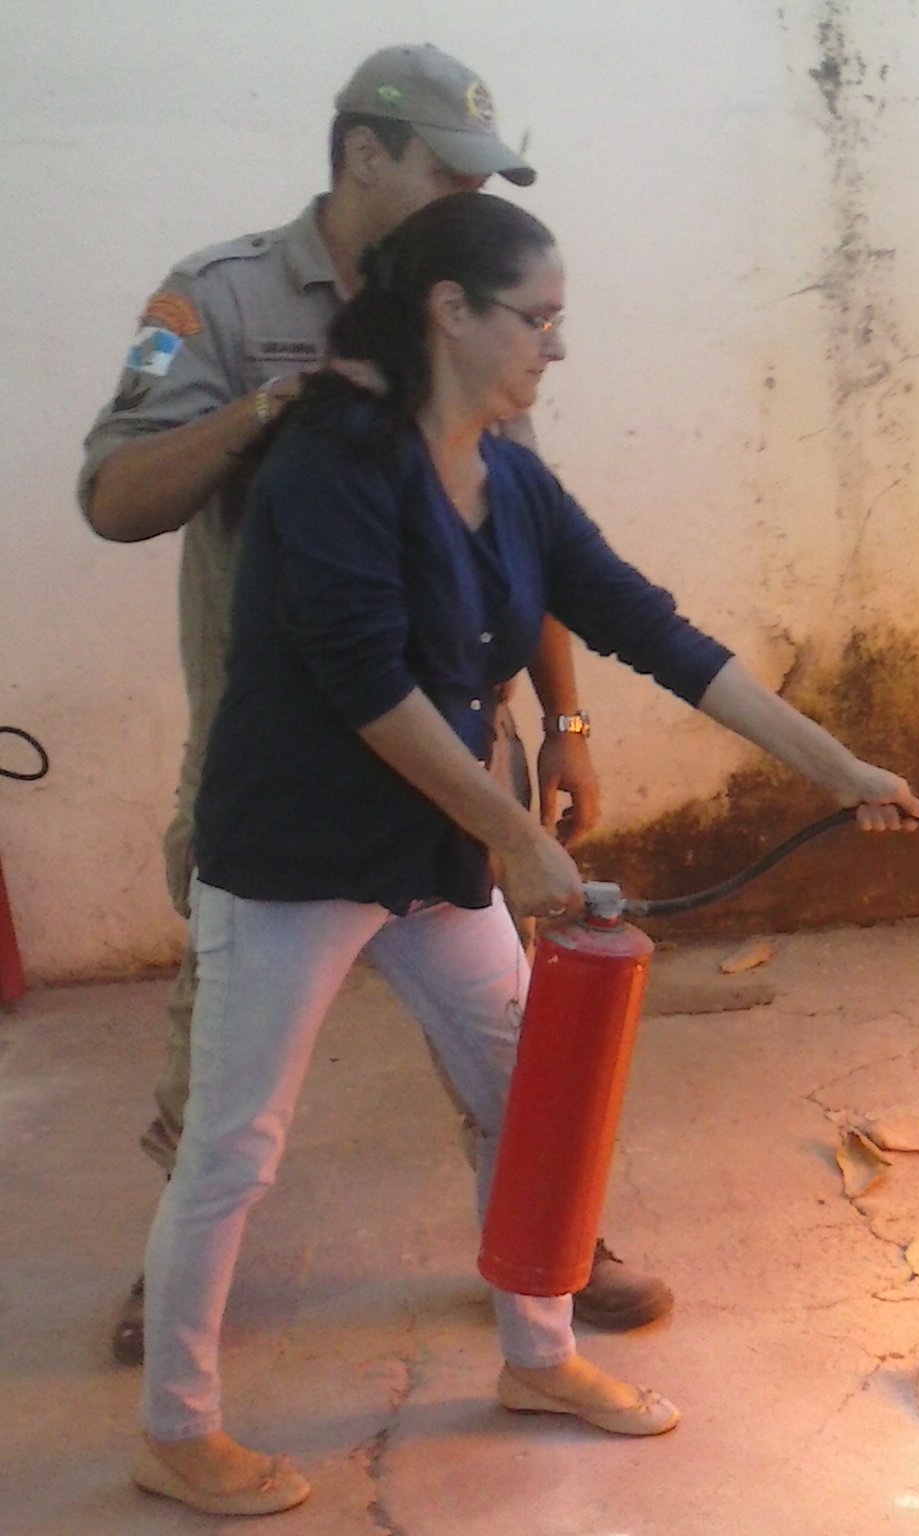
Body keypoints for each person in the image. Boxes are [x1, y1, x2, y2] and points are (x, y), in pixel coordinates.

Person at [131, 187, 919, 1516]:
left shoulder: (510, 480)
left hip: (436, 860)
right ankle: (176, 1430)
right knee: (234, 1149)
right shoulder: (331, 463)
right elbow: (364, 682)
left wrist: (835, 767)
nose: (556, 347)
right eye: (538, 320)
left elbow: (651, 629)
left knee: (528, 1101)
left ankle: (539, 1358)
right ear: (452, 312)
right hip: (294, 858)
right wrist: (512, 835)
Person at [78, 43, 672, 1360]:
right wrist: (273, 408)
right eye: (449, 174)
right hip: (284, 753)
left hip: (461, 744)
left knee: (505, 1029)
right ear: (363, 154)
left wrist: (565, 724)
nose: (473, 199)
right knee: (226, 1054)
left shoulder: (478, 297)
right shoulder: (222, 299)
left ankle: (546, 1237)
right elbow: (113, 498)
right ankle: (181, 1260)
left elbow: (530, 533)